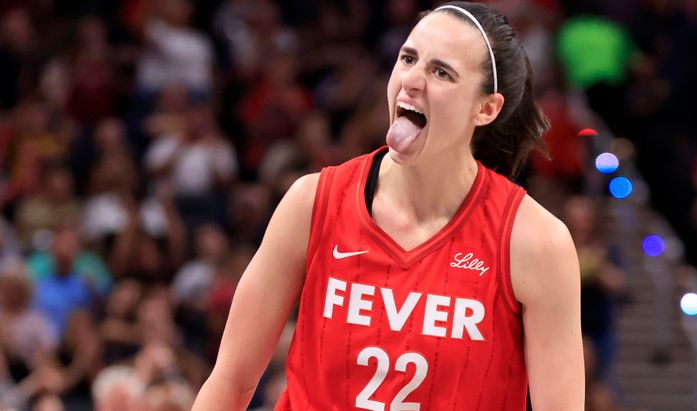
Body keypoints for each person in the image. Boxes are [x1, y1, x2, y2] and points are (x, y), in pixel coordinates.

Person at [192, 2, 583, 410]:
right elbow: (231, 381)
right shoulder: (312, 203)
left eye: (441, 72)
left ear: (486, 108)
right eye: (408, 58)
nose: (412, 80)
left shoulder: (535, 242)